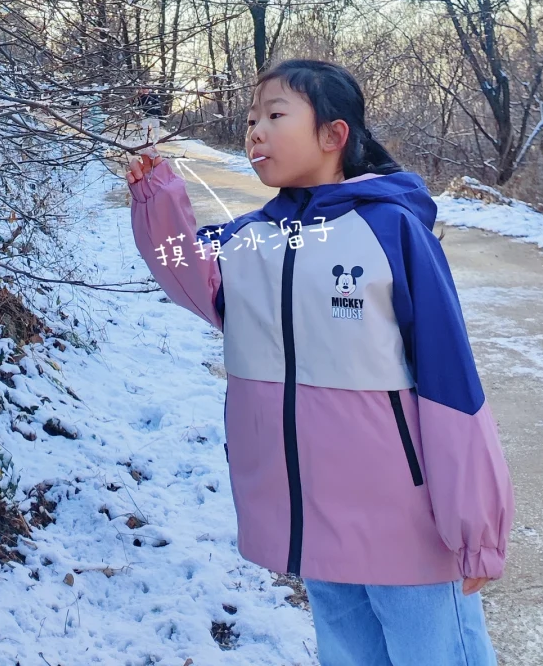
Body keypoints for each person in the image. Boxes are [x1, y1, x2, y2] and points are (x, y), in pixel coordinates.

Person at [126, 58, 514, 666]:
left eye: (275, 115)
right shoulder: (251, 237)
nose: (255, 130)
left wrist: (476, 528)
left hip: (400, 519)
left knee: (435, 654)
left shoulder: (391, 231)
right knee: (348, 653)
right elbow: (184, 268)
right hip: (310, 515)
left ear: (334, 136)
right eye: (251, 119)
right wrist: (156, 192)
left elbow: (451, 384)